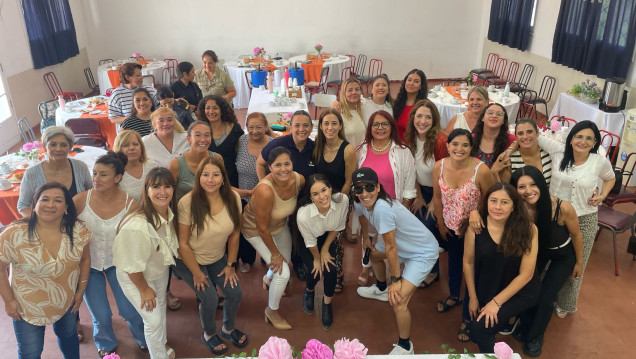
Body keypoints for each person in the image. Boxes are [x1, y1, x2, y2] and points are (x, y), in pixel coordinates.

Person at [352, 167, 439, 355]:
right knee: (373, 253)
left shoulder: (383, 208)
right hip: (401, 243)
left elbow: (391, 247)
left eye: (369, 187)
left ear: (377, 187)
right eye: (359, 189)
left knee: (398, 301)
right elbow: (361, 216)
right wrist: (366, 238)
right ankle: (381, 288)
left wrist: (396, 280)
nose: (364, 194)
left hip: (421, 252)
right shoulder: (360, 200)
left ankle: (405, 346)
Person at [1, 182, 91, 359]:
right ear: (34, 204)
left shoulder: (78, 230)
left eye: (58, 200)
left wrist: (80, 291)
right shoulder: (14, 234)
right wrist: (9, 301)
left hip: (66, 299)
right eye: (45, 199)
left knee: (69, 338)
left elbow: (85, 259)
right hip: (27, 306)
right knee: (30, 352)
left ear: (66, 207)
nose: (50, 205)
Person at [73, 152, 147, 358]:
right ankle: (105, 341)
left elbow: (138, 238)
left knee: (130, 310)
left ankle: (143, 337)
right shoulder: (80, 201)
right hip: (88, 265)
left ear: (118, 177)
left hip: (119, 263)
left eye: (103, 175)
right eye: (94, 173)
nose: (96, 179)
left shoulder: (130, 205)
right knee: (101, 314)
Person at [539, 121, 615, 319]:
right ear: (571, 138)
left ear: (595, 143)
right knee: (548, 260)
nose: (583, 141)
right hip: (556, 217)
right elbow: (531, 136)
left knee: (577, 264)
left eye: (589, 138)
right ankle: (543, 295)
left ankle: (565, 303)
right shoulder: (557, 150)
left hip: (585, 217)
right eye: (579, 136)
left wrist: (602, 195)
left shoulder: (599, 161)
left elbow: (610, 178)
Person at [174, 156, 247, 355]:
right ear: (198, 178)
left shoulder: (233, 198)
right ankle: (208, 334)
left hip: (216, 257)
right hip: (188, 260)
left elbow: (234, 234)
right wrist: (197, 273)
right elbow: (182, 243)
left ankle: (228, 328)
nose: (211, 179)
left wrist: (230, 264)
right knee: (210, 298)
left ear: (223, 178)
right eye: (205, 175)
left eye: (216, 175)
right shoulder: (187, 202)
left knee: (235, 293)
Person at [509, 166, 583, 357]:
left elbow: (576, 236)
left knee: (545, 297)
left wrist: (579, 263)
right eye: (521, 186)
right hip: (539, 252)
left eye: (533, 184)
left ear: (542, 184)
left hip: (562, 256)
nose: (528, 191)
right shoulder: (517, 208)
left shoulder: (561, 207)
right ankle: (524, 322)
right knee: (528, 288)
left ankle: (535, 336)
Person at [462, 182, 540, 353]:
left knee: (480, 330)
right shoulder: (476, 227)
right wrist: (472, 298)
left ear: (514, 206)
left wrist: (496, 303)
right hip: (490, 285)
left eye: (504, 202)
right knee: (478, 331)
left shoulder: (529, 230)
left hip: (520, 291)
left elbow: (526, 275)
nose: (497, 207)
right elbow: (468, 263)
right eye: (493, 201)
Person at [432, 129, 494, 342]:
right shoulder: (438, 166)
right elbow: (437, 196)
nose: (459, 149)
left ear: (471, 148)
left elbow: (492, 199)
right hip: (450, 226)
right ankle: (454, 295)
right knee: (454, 262)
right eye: (455, 144)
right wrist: (441, 222)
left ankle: (468, 316)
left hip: (475, 231)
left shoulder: (481, 171)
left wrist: (478, 214)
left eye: (465, 145)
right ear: (447, 146)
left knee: (472, 271)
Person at [113, 167, 179, 359]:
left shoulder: (168, 212)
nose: (162, 192)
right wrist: (143, 289)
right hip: (135, 277)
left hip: (157, 269)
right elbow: (131, 265)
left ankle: (161, 344)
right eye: (156, 187)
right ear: (147, 190)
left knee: (161, 308)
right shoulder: (137, 225)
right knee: (154, 319)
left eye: (168, 186)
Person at [241, 147, 305, 330]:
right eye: (278, 165)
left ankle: (268, 279)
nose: (283, 169)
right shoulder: (265, 191)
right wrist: (275, 255)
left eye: (287, 164)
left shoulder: (299, 180)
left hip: (278, 226)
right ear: (269, 167)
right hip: (255, 230)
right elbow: (262, 228)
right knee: (283, 271)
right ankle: (272, 310)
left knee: (282, 266)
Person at [355, 110, 416, 286]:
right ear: (370, 128)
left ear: (391, 127)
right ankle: (367, 266)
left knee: (391, 243)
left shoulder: (402, 151)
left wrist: (403, 211)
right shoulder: (361, 149)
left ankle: (398, 273)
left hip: (393, 208)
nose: (380, 128)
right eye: (376, 124)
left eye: (385, 124)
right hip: (368, 206)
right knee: (368, 238)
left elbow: (410, 184)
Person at [296, 175, 349, 330]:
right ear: (311, 198)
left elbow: (338, 226)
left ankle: (327, 304)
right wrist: (317, 258)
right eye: (315, 194)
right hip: (309, 240)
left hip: (327, 235)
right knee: (315, 270)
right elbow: (310, 243)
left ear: (330, 189)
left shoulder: (342, 200)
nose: (322, 196)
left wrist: (325, 249)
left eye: (324, 190)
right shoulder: (303, 216)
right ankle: (309, 290)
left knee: (331, 270)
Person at [404, 99, 448, 288]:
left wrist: (433, 202)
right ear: (413, 117)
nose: (423, 121)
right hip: (420, 190)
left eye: (428, 117)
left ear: (434, 120)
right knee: (413, 226)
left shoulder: (441, 142)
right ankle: (421, 263)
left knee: (426, 228)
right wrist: (420, 196)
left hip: (439, 192)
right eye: (419, 116)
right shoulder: (410, 139)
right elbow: (411, 169)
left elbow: (445, 175)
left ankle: (433, 270)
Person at [312, 109, 356, 291]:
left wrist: (336, 204)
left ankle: (338, 273)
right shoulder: (317, 145)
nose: (330, 127)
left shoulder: (347, 149)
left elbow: (348, 181)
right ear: (321, 126)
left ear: (340, 126)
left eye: (334, 123)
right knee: (320, 235)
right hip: (319, 198)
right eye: (326, 124)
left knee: (335, 239)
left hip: (340, 198)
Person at [18, 126, 92, 217]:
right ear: (45, 148)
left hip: (79, 222)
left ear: (70, 148)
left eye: (64, 145)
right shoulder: (32, 173)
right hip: (47, 226)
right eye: (53, 144)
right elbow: (23, 206)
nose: (58, 149)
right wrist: (39, 223)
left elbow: (92, 194)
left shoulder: (80, 167)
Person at [235, 112, 273, 272]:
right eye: (251, 127)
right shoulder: (241, 141)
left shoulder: (273, 144)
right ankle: (248, 259)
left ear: (265, 127)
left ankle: (268, 257)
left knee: (267, 227)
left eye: (258, 127)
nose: (255, 131)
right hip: (243, 195)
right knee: (245, 229)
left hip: (265, 196)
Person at [168, 121, 223, 203]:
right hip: (185, 213)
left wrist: (247, 193)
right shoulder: (176, 165)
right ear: (188, 139)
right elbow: (168, 195)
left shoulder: (218, 159)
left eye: (207, 135)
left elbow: (224, 188)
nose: (203, 140)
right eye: (198, 135)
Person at [196, 95, 244, 187]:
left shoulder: (234, 129)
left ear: (222, 110)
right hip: (208, 181)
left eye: (215, 108)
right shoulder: (199, 130)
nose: (211, 112)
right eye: (208, 108)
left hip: (231, 179)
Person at [255, 110, 315, 180]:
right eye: (297, 125)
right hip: (280, 190)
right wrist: (264, 185)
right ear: (291, 128)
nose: (301, 129)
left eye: (306, 125)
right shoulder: (278, 144)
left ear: (311, 127)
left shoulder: (314, 148)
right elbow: (260, 163)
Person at [493, 118, 552, 184]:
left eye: (529, 132)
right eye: (520, 133)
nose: (525, 136)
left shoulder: (549, 154)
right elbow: (507, 189)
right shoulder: (509, 160)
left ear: (537, 133)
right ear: (516, 136)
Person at [113, 130, 159, 202]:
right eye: (126, 145)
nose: (132, 148)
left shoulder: (153, 166)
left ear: (141, 147)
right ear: (119, 149)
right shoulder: (114, 173)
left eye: (135, 144)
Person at [471, 103, 516, 169]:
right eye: (490, 113)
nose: (494, 116)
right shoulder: (471, 139)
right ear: (482, 118)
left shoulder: (511, 140)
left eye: (499, 114)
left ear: (503, 121)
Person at [393, 69, 428, 140]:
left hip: (413, 146)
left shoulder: (424, 105)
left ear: (421, 86)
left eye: (416, 81)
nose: (411, 83)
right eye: (409, 80)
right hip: (396, 144)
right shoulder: (398, 102)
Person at [332, 77, 366, 148]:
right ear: (344, 93)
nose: (354, 92)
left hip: (362, 155)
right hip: (347, 156)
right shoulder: (338, 112)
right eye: (350, 90)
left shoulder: (362, 109)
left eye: (357, 89)